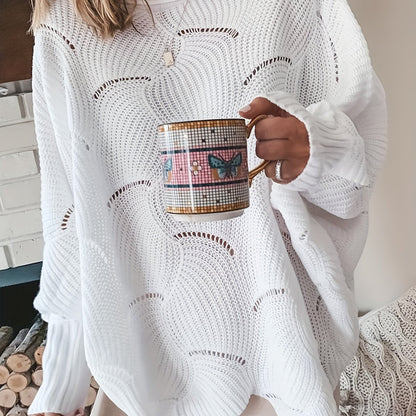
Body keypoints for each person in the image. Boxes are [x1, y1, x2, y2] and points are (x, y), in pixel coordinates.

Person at [27, 0, 387, 415]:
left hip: (285, 355)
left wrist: (317, 148)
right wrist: (59, 388)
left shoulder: (294, 6)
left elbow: (352, 186)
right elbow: (72, 220)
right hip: (146, 376)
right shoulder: (65, 24)